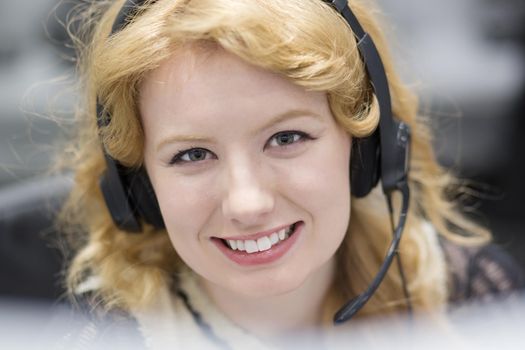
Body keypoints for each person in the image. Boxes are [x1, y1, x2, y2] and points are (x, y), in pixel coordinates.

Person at [57, 0, 523, 348]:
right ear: (138, 186)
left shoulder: (467, 298)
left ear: (365, 148)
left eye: (286, 139)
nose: (247, 204)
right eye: (192, 154)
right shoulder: (104, 334)